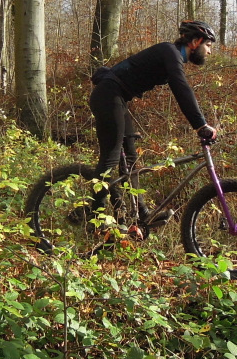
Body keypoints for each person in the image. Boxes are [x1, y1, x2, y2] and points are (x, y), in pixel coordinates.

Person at [85, 20, 217, 223]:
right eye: (207, 45)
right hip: (108, 96)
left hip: (116, 97)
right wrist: (200, 124)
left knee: (130, 159)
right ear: (195, 42)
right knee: (110, 158)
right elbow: (181, 88)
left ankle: (141, 215)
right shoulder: (170, 51)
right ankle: (94, 219)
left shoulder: (172, 56)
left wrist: (199, 123)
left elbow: (179, 87)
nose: (209, 51)